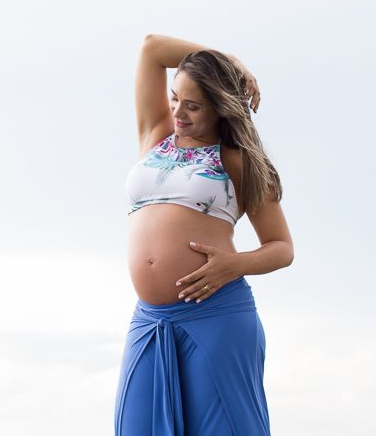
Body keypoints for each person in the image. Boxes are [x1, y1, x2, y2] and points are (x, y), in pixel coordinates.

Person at [115, 34, 295, 436]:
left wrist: (235, 265)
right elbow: (151, 48)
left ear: (220, 107)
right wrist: (224, 58)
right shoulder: (155, 135)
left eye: (193, 105)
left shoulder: (238, 161)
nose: (178, 111)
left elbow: (282, 248)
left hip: (216, 314)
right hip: (150, 318)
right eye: (176, 97)